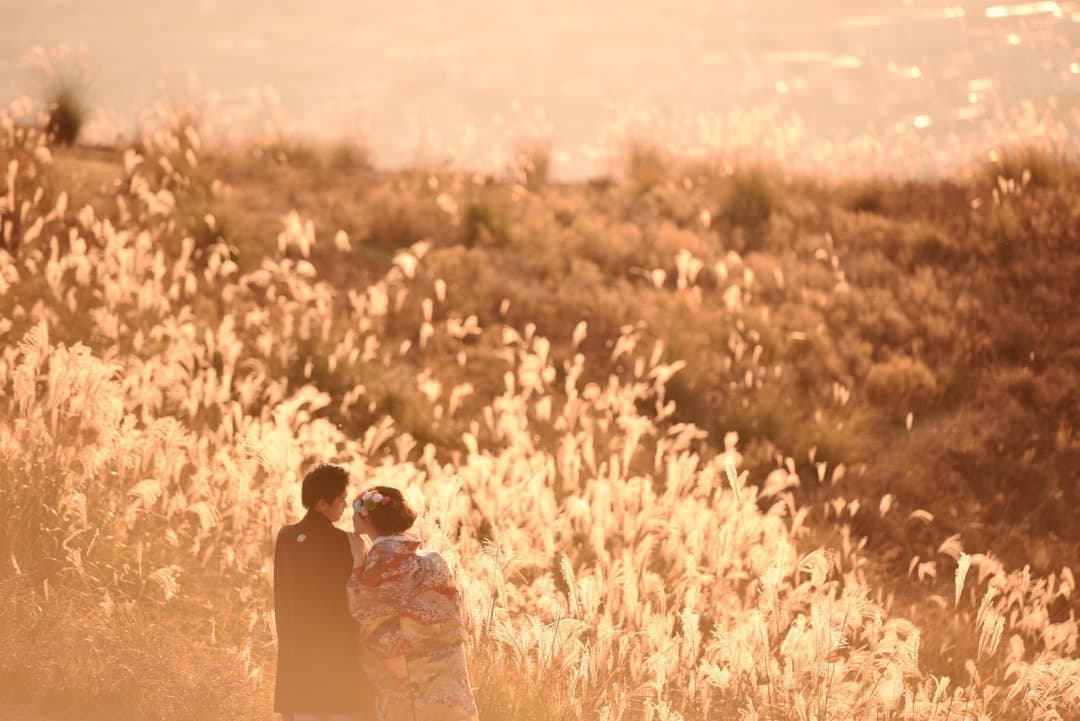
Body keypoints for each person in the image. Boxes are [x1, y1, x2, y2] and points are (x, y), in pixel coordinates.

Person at [347, 486, 480, 721]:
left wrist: (357, 562)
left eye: (355, 511)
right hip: (440, 664)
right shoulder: (433, 560)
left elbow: (363, 606)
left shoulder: (384, 557)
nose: (351, 517)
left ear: (367, 519)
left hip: (405, 670)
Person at [274, 463, 371, 721]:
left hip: (297, 655)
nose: (345, 503)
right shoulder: (348, 542)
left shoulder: (286, 537)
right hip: (338, 653)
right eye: (341, 498)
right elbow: (359, 596)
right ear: (322, 502)